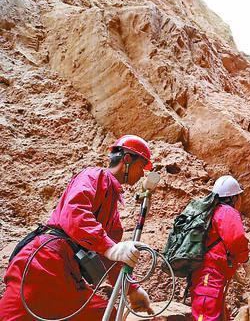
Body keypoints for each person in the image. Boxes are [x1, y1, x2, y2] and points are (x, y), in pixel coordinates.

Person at [0, 135, 154, 321]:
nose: (143, 174)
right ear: (127, 160)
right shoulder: (93, 176)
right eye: (142, 166)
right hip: (43, 263)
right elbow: (75, 214)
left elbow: (108, 256)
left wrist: (133, 290)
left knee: (107, 316)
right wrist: (109, 247)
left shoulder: (112, 202)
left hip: (67, 271)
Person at [190, 175, 250, 321]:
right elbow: (236, 239)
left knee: (216, 313)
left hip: (206, 273)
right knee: (206, 314)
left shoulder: (212, 211)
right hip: (210, 275)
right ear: (234, 198)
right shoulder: (226, 211)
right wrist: (245, 260)